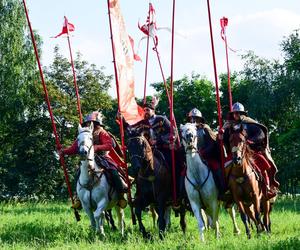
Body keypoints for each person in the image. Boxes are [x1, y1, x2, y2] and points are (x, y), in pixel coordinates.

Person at [60, 111, 127, 209]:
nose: (89, 124)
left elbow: (109, 145)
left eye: (91, 122)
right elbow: (74, 148)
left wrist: (96, 147)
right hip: (87, 158)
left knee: (113, 171)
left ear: (96, 123)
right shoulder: (83, 133)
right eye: (88, 122)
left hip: (103, 157)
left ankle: (120, 196)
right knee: (78, 173)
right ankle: (78, 198)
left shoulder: (102, 132)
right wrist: (63, 151)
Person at [224, 102, 279, 199]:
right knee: (225, 166)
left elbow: (260, 134)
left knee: (264, 164)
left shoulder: (250, 123)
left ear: (243, 113)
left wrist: (250, 141)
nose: (236, 115)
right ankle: (227, 189)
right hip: (237, 152)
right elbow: (227, 139)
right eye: (235, 113)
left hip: (252, 151)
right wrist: (222, 136)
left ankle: (267, 187)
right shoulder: (229, 126)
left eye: (239, 112)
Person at [187, 108, 227, 199]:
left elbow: (212, 144)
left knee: (217, 168)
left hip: (207, 157)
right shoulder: (188, 130)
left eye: (196, 118)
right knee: (182, 173)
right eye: (192, 118)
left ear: (200, 119)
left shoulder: (205, 129)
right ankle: (183, 197)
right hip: (193, 158)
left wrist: (203, 152)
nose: (194, 120)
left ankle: (223, 191)